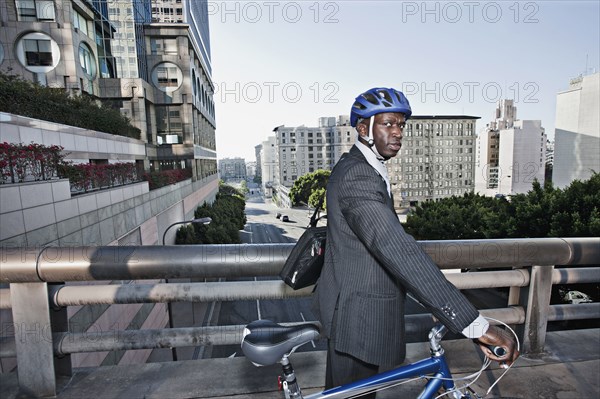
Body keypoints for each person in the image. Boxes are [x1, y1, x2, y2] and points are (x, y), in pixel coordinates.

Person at [313, 87, 519, 395]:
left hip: (357, 313)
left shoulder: (367, 168)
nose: (398, 133)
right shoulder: (358, 176)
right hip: (356, 320)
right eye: (388, 124)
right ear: (362, 128)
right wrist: (473, 324)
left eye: (401, 125)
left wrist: (431, 299)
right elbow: (398, 250)